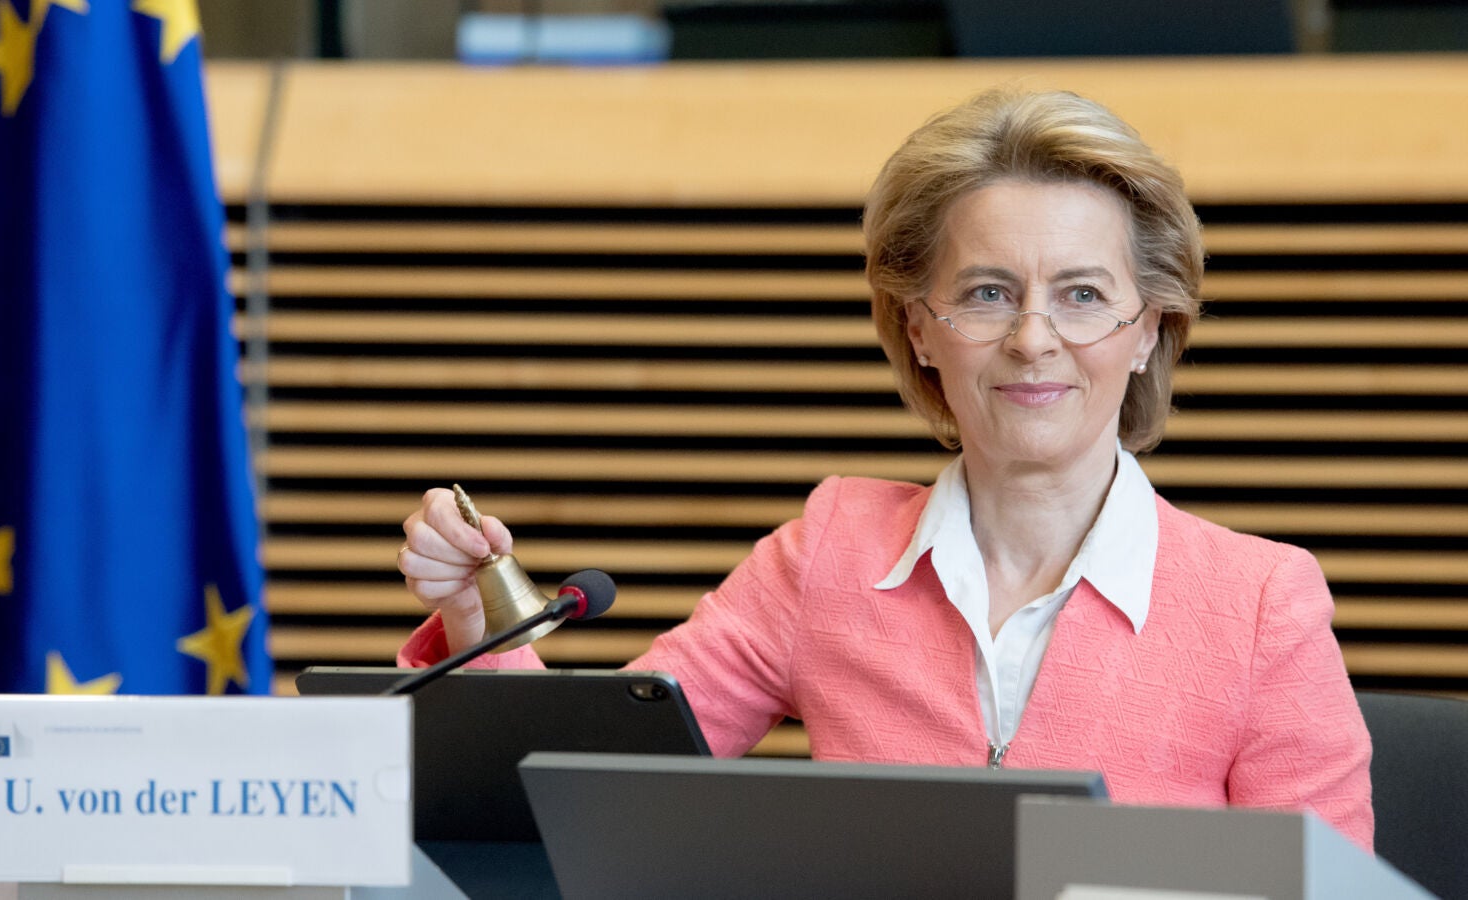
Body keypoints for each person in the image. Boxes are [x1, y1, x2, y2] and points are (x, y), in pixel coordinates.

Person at [393, 89, 1374, 850]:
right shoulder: (828, 554)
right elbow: (575, 787)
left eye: (1082, 294)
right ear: (919, 330)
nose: (1033, 339)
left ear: (1148, 328)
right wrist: (478, 623)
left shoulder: (1260, 604)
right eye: (986, 293)